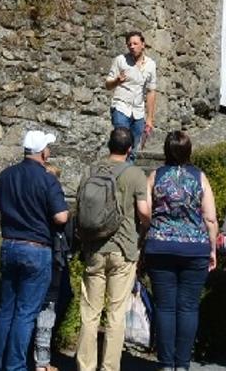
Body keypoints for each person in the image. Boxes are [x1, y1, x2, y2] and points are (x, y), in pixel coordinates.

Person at [0, 129, 70, 371]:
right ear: (42, 152)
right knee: (25, 314)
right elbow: (61, 216)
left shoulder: (6, 175)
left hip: (10, 244)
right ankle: (15, 366)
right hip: (36, 248)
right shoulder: (47, 179)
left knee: (6, 310)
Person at [76, 128, 149, 371]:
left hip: (95, 247)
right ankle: (109, 368)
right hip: (124, 248)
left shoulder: (91, 170)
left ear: (109, 145)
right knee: (116, 313)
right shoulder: (136, 174)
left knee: (90, 313)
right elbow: (144, 212)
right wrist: (143, 232)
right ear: (130, 149)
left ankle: (85, 366)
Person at [144, 131, 218, 371]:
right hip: (194, 247)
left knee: (164, 306)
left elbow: (144, 212)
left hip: (160, 244)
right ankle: (183, 363)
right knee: (188, 307)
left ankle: (166, 363)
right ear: (189, 151)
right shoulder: (199, 177)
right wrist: (213, 248)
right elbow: (210, 217)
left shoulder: (155, 176)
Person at [33, 163, 72, 371]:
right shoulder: (58, 206)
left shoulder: (32, 202)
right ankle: (42, 360)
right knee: (48, 309)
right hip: (53, 259)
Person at [104, 31, 158, 158]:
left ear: (143, 45)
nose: (132, 46)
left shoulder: (150, 65)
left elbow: (151, 91)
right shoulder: (120, 60)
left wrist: (149, 118)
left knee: (133, 148)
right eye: (129, 44)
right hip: (121, 107)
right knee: (121, 143)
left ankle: (127, 174)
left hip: (138, 111)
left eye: (135, 43)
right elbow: (107, 84)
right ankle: (115, 171)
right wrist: (117, 81)